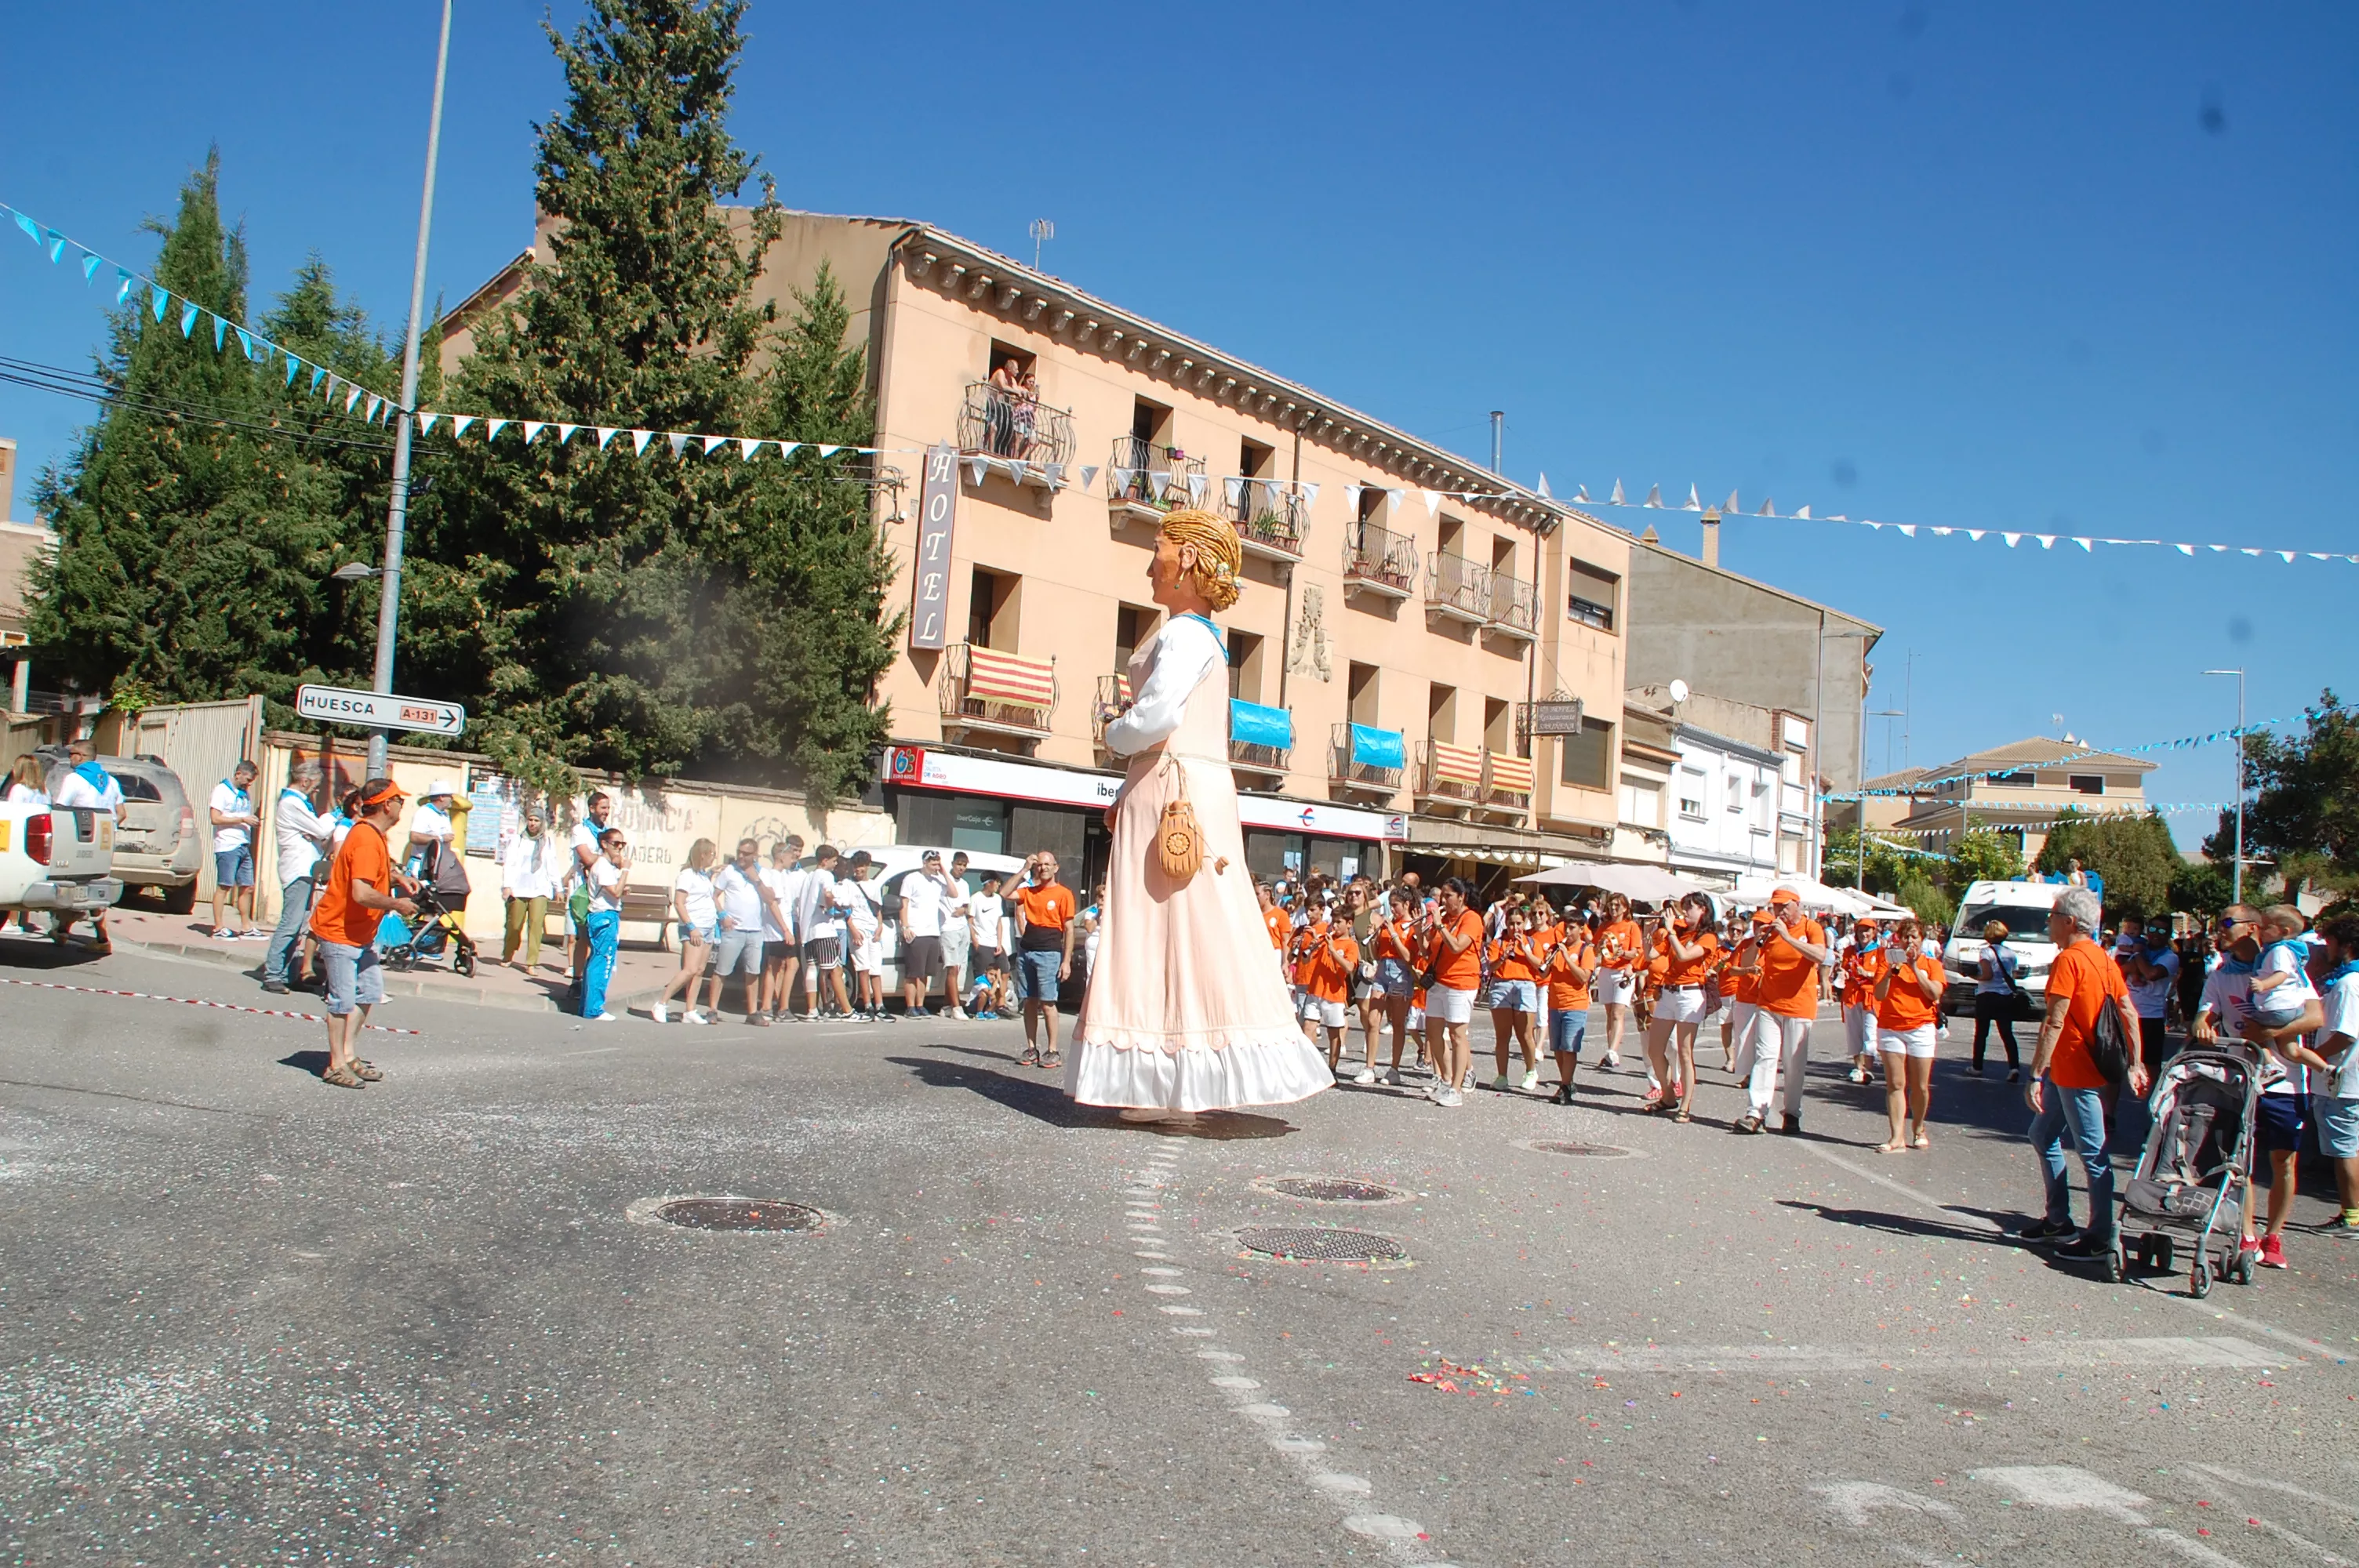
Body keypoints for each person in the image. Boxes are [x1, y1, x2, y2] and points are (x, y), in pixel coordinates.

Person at [1066, 510, 1329, 1122]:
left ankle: (1169, 1080)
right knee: (1182, 929)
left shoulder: (1184, 633)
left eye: (1158, 547)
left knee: (1162, 929)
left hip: (1172, 784)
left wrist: (1113, 733)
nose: (1148, 561)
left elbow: (1156, 719)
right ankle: (1178, 1081)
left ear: (1186, 558)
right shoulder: (1200, 634)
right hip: (1183, 781)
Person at [2016, 887, 2147, 1260]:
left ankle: (2101, 1236)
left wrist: (2036, 1074)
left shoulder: (2070, 960)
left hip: (2075, 1067)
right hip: (2077, 1067)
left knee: (2093, 1153)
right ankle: (2059, 1220)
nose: (2048, 922)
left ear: (2069, 922)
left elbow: (2053, 1022)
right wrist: (2135, 1062)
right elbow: (2129, 1011)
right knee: (2042, 1134)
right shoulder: (2103, 959)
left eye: (2053, 915)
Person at [2193, 904, 2324, 1271]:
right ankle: (2248, 1235)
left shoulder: (2283, 964)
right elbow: (2204, 1014)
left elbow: (2315, 1016)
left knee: (2283, 1161)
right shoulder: (2221, 974)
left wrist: (2269, 1033)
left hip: (2286, 1084)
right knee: (2241, 1162)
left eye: (2226, 923)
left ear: (2253, 928)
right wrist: (2203, 1026)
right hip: (2242, 1080)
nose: (2220, 929)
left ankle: (2274, 1236)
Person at [305, 778, 419, 1087]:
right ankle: (335, 1065)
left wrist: (395, 877)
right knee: (342, 1001)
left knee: (368, 993)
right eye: (399, 800)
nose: (401, 806)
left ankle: (348, 1054)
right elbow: (360, 892)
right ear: (386, 805)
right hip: (341, 931)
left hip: (360, 933)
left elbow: (369, 875)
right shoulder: (368, 838)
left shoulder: (372, 835)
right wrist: (399, 903)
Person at [1734, 888, 1830, 1134]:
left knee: (1793, 1063)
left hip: (1799, 1006)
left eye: (1784, 906)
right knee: (1765, 1057)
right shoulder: (1771, 931)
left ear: (1797, 904)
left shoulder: (1811, 928)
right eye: (1775, 907)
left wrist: (1788, 937)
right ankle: (1756, 1113)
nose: (1779, 911)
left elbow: (1820, 954)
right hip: (1769, 1003)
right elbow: (1746, 964)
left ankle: (1792, 1113)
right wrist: (1758, 942)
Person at [1870, 916, 1946, 1152]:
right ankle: (1896, 1137)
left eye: (1914, 936)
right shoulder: (1887, 961)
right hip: (1891, 1027)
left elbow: (1934, 993)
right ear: (1898, 940)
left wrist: (1914, 968)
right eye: (1905, 937)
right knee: (1895, 1083)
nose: (1909, 941)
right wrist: (1893, 972)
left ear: (1922, 940)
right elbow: (1880, 994)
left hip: (1921, 1027)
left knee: (1920, 1086)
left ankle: (1919, 1127)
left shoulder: (1931, 964)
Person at [2306, 913, 2359, 1234]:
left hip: (2343, 1080)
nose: (2326, 948)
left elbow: (2344, 1034)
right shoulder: (2345, 980)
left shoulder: (2349, 984)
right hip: (2343, 1080)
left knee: (2345, 1151)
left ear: (2346, 946)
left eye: (2330, 942)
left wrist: (2311, 1058)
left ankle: (2351, 1215)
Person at [1643, 895, 1718, 1122]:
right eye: (1683, 908)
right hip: (1669, 992)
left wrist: (1671, 931)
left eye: (1689, 908)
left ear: (1703, 910)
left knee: (1685, 1052)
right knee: (1655, 1049)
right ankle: (1668, 1096)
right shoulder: (1680, 931)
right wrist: (1649, 935)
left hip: (1691, 995)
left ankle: (1685, 1105)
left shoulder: (1708, 937)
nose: (1684, 912)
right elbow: (1651, 955)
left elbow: (1685, 956)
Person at [47, 739, 124, 951]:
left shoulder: (74, 779)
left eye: (72, 754)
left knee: (73, 886)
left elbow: (61, 809)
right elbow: (122, 814)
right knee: (93, 888)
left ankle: (97, 938)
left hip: (80, 839)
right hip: (105, 843)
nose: (70, 757)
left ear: (80, 756)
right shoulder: (111, 782)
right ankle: (67, 932)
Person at [262, 760, 330, 994]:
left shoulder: (299, 803)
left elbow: (315, 834)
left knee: (299, 924)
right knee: (290, 924)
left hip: (305, 869)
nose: (317, 791)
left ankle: (286, 973)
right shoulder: (292, 803)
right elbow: (321, 831)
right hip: (297, 869)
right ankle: (273, 974)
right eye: (316, 786)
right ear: (305, 781)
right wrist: (333, 819)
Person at [1420, 878, 1484, 1109]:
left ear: (1461, 897)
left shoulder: (1471, 919)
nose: (1443, 901)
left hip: (1461, 982)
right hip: (1439, 981)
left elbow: (1457, 946)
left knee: (1457, 1035)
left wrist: (1439, 926)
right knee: (1433, 1033)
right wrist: (1421, 933)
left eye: (1448, 896)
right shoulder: (1445, 919)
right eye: (1442, 896)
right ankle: (1446, 1080)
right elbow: (1428, 952)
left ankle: (1457, 1088)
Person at [1015, 851, 1078, 1069]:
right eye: (1039, 865)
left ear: (1056, 868)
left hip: (1050, 953)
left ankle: (1053, 1050)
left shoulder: (1064, 894)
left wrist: (1066, 960)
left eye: (1047, 864)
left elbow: (1069, 929)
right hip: (1027, 952)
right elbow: (1005, 893)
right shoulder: (1029, 891)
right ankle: (1032, 1048)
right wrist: (1024, 869)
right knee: (1029, 1001)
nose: (1043, 868)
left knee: (1048, 1003)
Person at [711, 837, 783, 1025]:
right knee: (722, 970)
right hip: (734, 929)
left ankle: (752, 1012)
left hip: (755, 930)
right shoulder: (729, 871)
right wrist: (723, 915)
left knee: (753, 972)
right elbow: (714, 895)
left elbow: (770, 899)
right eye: (739, 852)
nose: (741, 856)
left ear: (755, 855)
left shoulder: (763, 874)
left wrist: (756, 880)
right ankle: (712, 1009)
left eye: (746, 854)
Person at [650, 837, 720, 1025]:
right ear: (702, 854)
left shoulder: (703, 875)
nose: (714, 858)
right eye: (712, 854)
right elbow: (680, 902)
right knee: (689, 969)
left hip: (708, 927)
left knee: (699, 970)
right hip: (693, 928)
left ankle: (690, 1010)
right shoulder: (687, 875)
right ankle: (662, 1003)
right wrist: (691, 927)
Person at [1539, 910, 1596, 1105]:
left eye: (1572, 928)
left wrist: (1567, 956)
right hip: (1555, 1003)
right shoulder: (1557, 949)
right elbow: (1543, 973)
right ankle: (1567, 1082)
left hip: (1575, 1005)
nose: (1568, 931)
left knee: (1569, 1048)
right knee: (1557, 1048)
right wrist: (1549, 958)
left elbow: (1583, 977)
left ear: (1581, 929)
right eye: (1566, 927)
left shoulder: (1585, 951)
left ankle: (1564, 1088)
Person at [498, 804, 561, 973]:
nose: (532, 823)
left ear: (542, 823)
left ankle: (531, 963)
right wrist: (507, 886)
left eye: (536, 820)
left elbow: (552, 864)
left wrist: (558, 887)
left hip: (540, 889)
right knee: (514, 925)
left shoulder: (547, 842)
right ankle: (508, 953)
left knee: (536, 926)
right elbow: (509, 864)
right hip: (518, 889)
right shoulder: (518, 840)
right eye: (530, 820)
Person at [897, 850, 958, 1020]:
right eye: (932, 864)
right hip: (917, 931)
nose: (935, 867)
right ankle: (910, 1006)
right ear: (924, 863)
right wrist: (905, 926)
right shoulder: (911, 879)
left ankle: (920, 1004)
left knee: (925, 973)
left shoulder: (937, 882)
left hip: (933, 932)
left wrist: (945, 872)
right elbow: (904, 903)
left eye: (937, 863)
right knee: (913, 972)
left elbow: (954, 893)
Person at [207, 759, 264, 938]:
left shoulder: (244, 793)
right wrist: (242, 820)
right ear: (238, 774)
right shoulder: (221, 791)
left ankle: (246, 927)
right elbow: (215, 818)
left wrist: (250, 821)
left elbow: (242, 815)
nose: (248, 784)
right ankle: (218, 927)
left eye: (251, 781)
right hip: (227, 844)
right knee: (225, 885)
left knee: (247, 886)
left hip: (243, 843)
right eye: (247, 779)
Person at [794, 844, 852, 1020]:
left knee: (812, 968)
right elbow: (828, 894)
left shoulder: (808, 877)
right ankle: (848, 1011)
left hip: (808, 931)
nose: (836, 865)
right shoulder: (826, 875)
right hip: (825, 930)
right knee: (835, 969)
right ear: (825, 861)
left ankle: (812, 1010)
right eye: (834, 861)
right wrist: (832, 907)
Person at [1300, 907, 1359, 1076]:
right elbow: (1306, 960)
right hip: (1315, 990)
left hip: (1334, 994)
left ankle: (1332, 1069)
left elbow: (1349, 968)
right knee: (1308, 1028)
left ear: (1349, 924)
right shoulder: (1326, 940)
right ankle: (1309, 1067)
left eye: (1339, 922)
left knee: (1334, 1033)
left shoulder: (1350, 945)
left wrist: (1333, 950)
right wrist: (1311, 948)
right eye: (1334, 921)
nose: (1335, 926)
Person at [567, 792, 616, 998]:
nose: (606, 812)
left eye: (608, 808)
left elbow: (618, 857)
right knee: (584, 936)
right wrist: (607, 857)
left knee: (601, 938)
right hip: (584, 890)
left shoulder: (609, 833)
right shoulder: (581, 830)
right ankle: (577, 981)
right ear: (592, 808)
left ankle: (593, 981)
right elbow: (587, 858)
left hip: (604, 891)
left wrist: (606, 858)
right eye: (603, 808)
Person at [2117, 918, 2179, 1078]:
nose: (2156, 935)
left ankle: (2151, 1101)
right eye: (2153, 930)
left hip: (2151, 1017)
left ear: (2168, 935)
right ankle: (2109, 1104)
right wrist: (2134, 962)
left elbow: (2151, 974)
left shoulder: (2170, 957)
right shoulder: (2134, 948)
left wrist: (2137, 955)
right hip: (2126, 1013)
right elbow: (2119, 971)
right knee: (2117, 1066)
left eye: (2162, 931)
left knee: (2150, 1066)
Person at [579, 827, 629, 1022]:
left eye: (622, 845)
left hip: (606, 914)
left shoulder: (606, 867)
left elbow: (615, 891)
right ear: (604, 844)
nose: (619, 849)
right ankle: (594, 1009)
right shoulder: (603, 866)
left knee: (597, 960)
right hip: (604, 916)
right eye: (616, 844)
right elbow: (615, 892)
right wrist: (625, 870)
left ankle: (588, 1005)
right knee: (603, 961)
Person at [758, 837, 805, 1023]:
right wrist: (786, 929)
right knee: (789, 965)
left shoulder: (779, 875)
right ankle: (782, 1008)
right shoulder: (774, 876)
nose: (792, 859)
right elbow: (774, 905)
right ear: (781, 857)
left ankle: (768, 1006)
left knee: (775, 967)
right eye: (789, 856)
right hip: (780, 928)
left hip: (778, 928)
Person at [1593, 893, 1642, 1070]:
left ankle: (1613, 1051)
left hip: (1623, 972)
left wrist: (1624, 954)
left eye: (1617, 906)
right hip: (1607, 970)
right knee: (1609, 1014)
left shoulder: (1631, 926)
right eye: (1611, 906)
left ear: (1625, 908)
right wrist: (1597, 949)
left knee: (1617, 1013)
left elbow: (1636, 952)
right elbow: (1595, 946)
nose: (1614, 909)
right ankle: (1610, 1052)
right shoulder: (1605, 926)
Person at [1971, 919, 2024, 1080]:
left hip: (1987, 995)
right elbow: (2013, 976)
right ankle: (2014, 1067)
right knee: (2007, 1033)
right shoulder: (2011, 953)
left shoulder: (1986, 952)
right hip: (2005, 995)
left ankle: (1977, 1066)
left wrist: (1972, 975)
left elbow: (1987, 975)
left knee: (1981, 1033)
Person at [1837, 916, 1885, 1085]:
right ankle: (1858, 1068)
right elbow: (1844, 968)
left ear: (1873, 933)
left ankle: (1868, 1070)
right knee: (1853, 1034)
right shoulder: (1849, 951)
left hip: (1870, 997)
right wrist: (1843, 973)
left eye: (1867, 930)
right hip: (1851, 996)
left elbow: (1883, 976)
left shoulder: (1880, 952)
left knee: (1870, 1033)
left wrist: (1866, 973)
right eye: (1861, 930)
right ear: (1856, 932)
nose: (1864, 933)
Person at [842, 851, 886, 1019]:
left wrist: (880, 926)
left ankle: (880, 1005)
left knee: (876, 969)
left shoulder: (874, 885)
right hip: (858, 928)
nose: (858, 870)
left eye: (861, 866)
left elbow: (877, 909)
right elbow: (846, 910)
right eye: (856, 866)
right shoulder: (848, 884)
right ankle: (867, 1004)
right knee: (863, 968)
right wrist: (853, 929)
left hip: (873, 929)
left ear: (868, 866)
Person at [967, 873, 1009, 1018]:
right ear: (989, 883)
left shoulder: (997, 899)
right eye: (996, 883)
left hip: (994, 943)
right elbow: (970, 921)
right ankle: (979, 1009)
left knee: (1004, 971)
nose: (998, 886)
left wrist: (999, 943)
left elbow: (998, 922)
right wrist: (975, 941)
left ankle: (999, 1005)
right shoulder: (976, 898)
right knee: (983, 977)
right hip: (982, 942)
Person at [941, 851, 975, 1022]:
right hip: (948, 928)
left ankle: (947, 1005)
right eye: (959, 864)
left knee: (958, 967)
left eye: (964, 865)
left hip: (962, 927)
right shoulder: (943, 880)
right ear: (953, 863)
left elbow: (966, 905)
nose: (961, 868)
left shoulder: (965, 884)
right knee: (952, 968)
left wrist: (963, 909)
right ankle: (956, 1007)